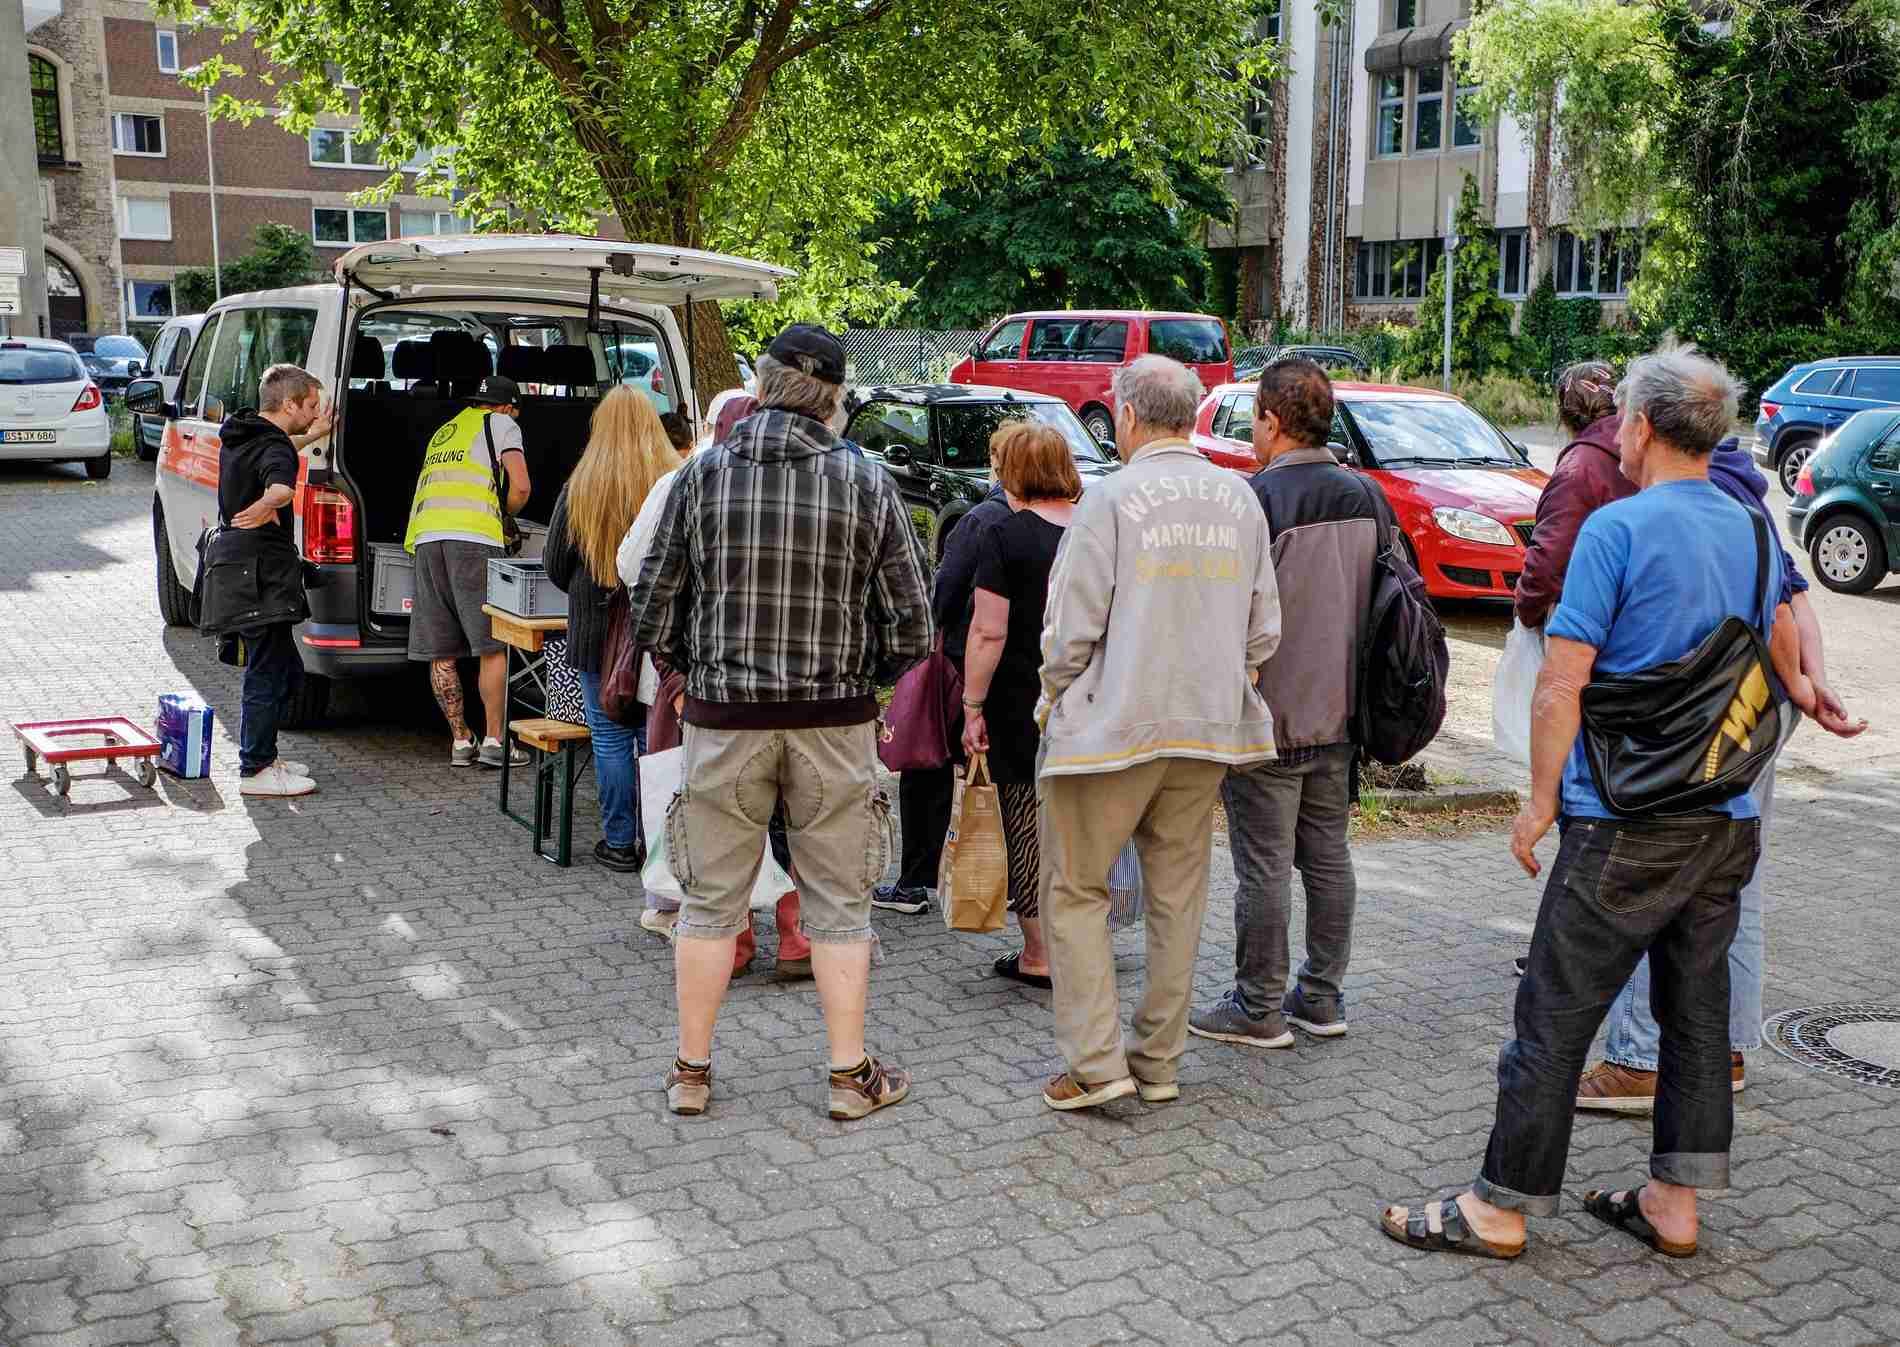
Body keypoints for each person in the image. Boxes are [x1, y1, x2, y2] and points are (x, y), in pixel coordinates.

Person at [1380, 344, 1818, 1263]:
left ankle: (1498, 1209)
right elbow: (1780, 639)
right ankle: (1674, 1202)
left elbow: (1561, 683)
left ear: (1644, 426)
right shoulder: (1750, 524)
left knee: (1552, 1009)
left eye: (1623, 417)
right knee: (1695, 1016)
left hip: (1624, 817)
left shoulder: (1617, 530)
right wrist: (1815, 698)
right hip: (1725, 814)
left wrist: (1540, 799)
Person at [626, 324, 933, 1121]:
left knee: (708, 903)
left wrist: (696, 676)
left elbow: (651, 605)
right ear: (833, 398)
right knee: (841, 905)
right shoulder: (866, 481)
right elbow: (913, 624)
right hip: (833, 721)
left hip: (725, 720)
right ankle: (848, 1075)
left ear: (761, 386)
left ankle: (691, 1073)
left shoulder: (702, 476)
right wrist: (863, 681)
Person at [1576, 433, 1867, 1110]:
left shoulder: (1698, 495)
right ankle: (1723, 1049)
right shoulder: (1742, 493)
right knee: (1736, 878)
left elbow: (1780, 617)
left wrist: (1801, 686)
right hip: (1754, 709)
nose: (1620, 436)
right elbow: (1796, 600)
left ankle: (1641, 1059)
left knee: (1656, 869)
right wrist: (1808, 685)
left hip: (1715, 714)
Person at [1035, 354, 1281, 1113]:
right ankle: (1159, 1061)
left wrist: (1053, 698)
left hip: (1112, 729)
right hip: (1206, 730)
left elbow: (1068, 630)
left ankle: (1095, 1063)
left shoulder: (1110, 499)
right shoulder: (1240, 498)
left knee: (1076, 890)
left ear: (1129, 416)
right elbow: (1264, 628)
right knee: (1179, 897)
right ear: (1193, 415)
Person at [1187, 359, 1396, 1048]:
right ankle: (1323, 997)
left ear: (1273, 423)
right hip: (1344, 715)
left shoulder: (1255, 502)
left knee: (1265, 867)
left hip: (1267, 718)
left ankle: (1258, 1005)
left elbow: (1226, 616)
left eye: (1254, 419)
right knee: (1328, 858)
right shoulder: (1369, 497)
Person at [961, 422, 1082, 988]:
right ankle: (1083, 942)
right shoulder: (1098, 529)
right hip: (1092, 697)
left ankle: (1039, 953)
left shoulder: (1004, 536)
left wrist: (972, 705)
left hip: (1021, 700)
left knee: (1026, 823)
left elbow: (988, 631)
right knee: (1083, 825)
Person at [542, 387, 681, 873]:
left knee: (608, 736)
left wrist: (588, 588)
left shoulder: (580, 485)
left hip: (594, 631)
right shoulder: (673, 480)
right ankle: (656, 842)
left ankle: (619, 841)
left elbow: (554, 563)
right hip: (654, 631)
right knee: (652, 736)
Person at [873, 484, 1011, 915]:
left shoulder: (980, 521)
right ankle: (1009, 878)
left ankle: (916, 881)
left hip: (962, 661)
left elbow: (944, 592)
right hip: (1023, 667)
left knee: (928, 766)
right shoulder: (1063, 520)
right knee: (1002, 771)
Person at [404, 374, 533, 768]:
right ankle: (495, 742)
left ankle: (461, 741)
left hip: (426, 539)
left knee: (441, 650)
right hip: (474, 538)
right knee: (492, 644)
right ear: (507, 407)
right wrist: (506, 515)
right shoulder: (502, 423)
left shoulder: (446, 431)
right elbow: (521, 487)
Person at [221, 363, 326, 798]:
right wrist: (268, 503)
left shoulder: (246, 434)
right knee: (266, 673)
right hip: (262, 575)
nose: (316, 413)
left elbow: (281, 448)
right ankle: (256, 767)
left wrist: (316, 434)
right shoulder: (274, 448)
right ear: (289, 404)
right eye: (312, 406)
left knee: (284, 669)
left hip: (243, 570)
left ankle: (264, 755)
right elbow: (281, 485)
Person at [1513, 361, 1630, 630]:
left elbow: (1549, 562)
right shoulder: (1649, 447)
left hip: (1594, 623)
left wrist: (1525, 609)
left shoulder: (1579, 468)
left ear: (1564, 413)